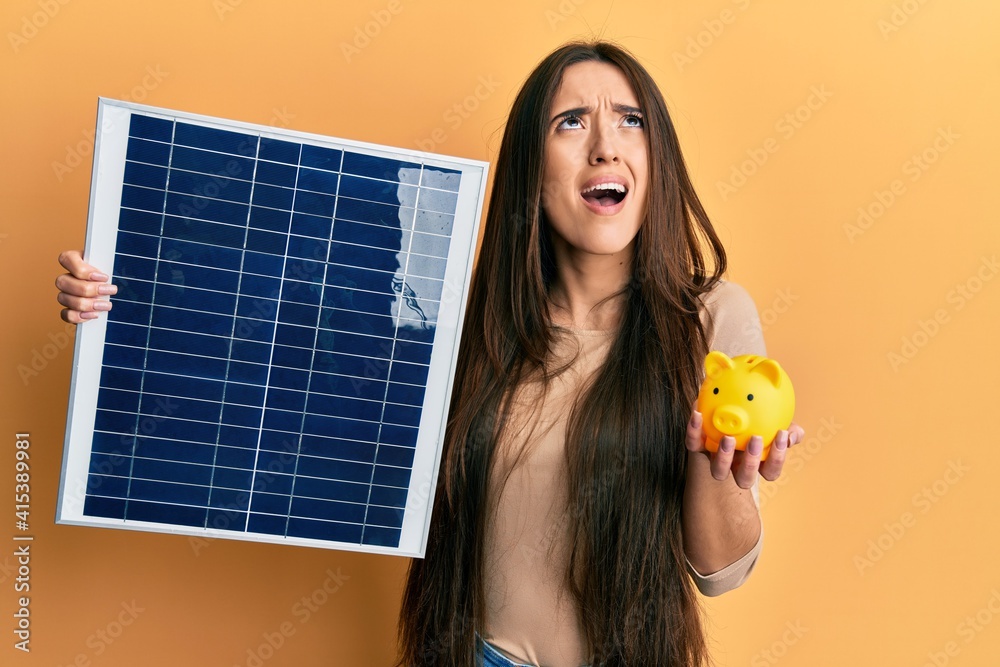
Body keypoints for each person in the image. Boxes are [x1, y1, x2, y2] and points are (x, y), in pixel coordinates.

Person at [57, 40, 803, 667]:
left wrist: (719, 468)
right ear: (531, 171)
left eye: (630, 121)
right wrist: (121, 302)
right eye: (571, 121)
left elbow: (720, 571)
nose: (605, 143)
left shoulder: (709, 321)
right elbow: (274, 356)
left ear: (655, 156)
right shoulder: (461, 321)